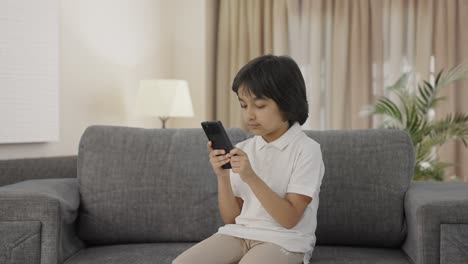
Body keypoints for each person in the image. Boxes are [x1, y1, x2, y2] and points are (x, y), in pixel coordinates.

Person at [173, 54, 325, 264]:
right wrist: (222, 176)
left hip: (285, 240)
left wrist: (250, 176)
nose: (249, 115)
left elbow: (289, 219)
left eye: (260, 106)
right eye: (244, 105)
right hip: (239, 234)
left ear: (287, 104)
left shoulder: (307, 150)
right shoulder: (244, 149)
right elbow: (231, 219)